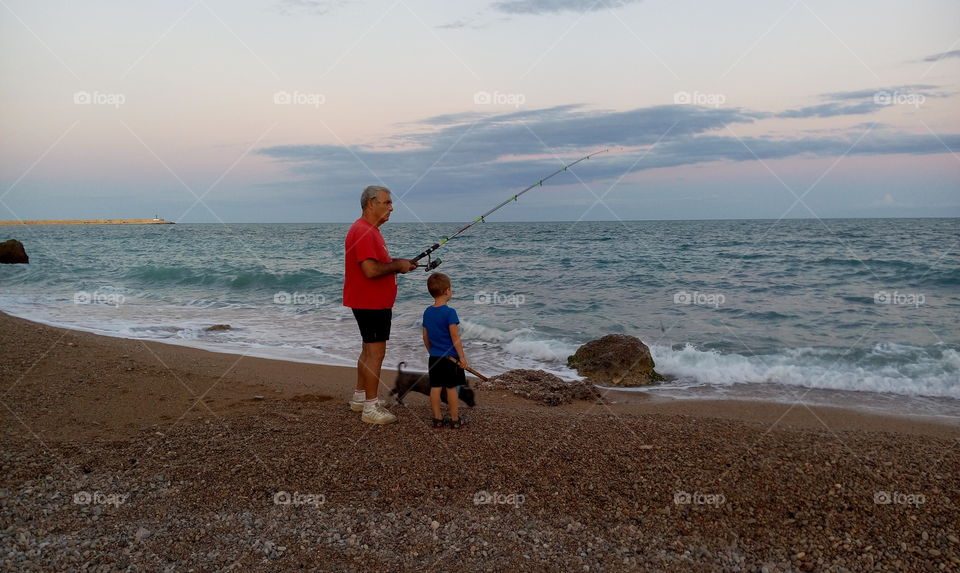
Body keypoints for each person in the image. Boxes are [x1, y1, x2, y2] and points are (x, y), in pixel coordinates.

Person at [343, 185, 418, 424]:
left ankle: (360, 397)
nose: (391, 207)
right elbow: (371, 270)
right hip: (371, 302)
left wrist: (401, 263)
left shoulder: (369, 230)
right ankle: (370, 408)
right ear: (371, 203)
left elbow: (378, 264)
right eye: (386, 203)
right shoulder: (363, 231)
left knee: (368, 350)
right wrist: (398, 266)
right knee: (376, 353)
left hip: (369, 301)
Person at [421, 272, 468, 429]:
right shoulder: (450, 312)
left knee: (435, 387)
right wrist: (462, 357)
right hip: (450, 359)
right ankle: (454, 419)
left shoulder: (427, 312)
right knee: (451, 388)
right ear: (447, 291)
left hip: (434, 357)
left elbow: (425, 337)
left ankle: (437, 418)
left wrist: (432, 351)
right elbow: (455, 337)